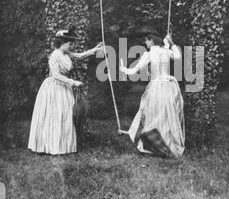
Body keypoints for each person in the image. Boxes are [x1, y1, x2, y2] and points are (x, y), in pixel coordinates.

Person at [28, 26, 103, 155]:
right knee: (54, 116)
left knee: (66, 115)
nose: (71, 46)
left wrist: (95, 50)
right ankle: (50, 146)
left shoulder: (66, 53)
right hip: (54, 87)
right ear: (62, 43)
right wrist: (73, 82)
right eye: (69, 43)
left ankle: (63, 146)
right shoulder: (54, 56)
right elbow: (56, 75)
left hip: (64, 87)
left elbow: (79, 56)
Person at [120, 31, 185, 158]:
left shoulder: (149, 54)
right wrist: (171, 43)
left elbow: (135, 70)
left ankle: (154, 145)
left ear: (151, 41)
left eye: (147, 40)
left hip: (156, 87)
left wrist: (123, 69)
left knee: (153, 114)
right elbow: (177, 57)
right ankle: (168, 144)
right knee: (167, 115)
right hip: (168, 86)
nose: (145, 43)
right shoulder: (166, 51)